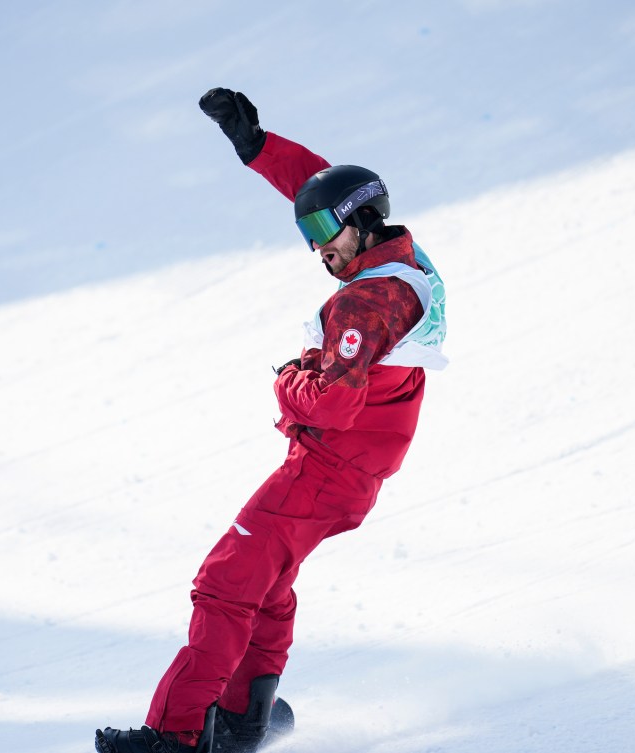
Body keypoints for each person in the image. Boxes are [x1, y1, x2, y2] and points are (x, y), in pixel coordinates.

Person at [95, 87, 447, 753]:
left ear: (362, 223)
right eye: (308, 235)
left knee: (226, 581)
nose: (317, 249)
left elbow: (332, 401)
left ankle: (175, 735)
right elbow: (329, 191)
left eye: (323, 235)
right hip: (349, 471)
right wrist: (260, 151)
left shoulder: (366, 304)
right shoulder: (404, 260)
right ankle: (243, 716)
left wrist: (289, 379)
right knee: (266, 582)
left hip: (327, 465)